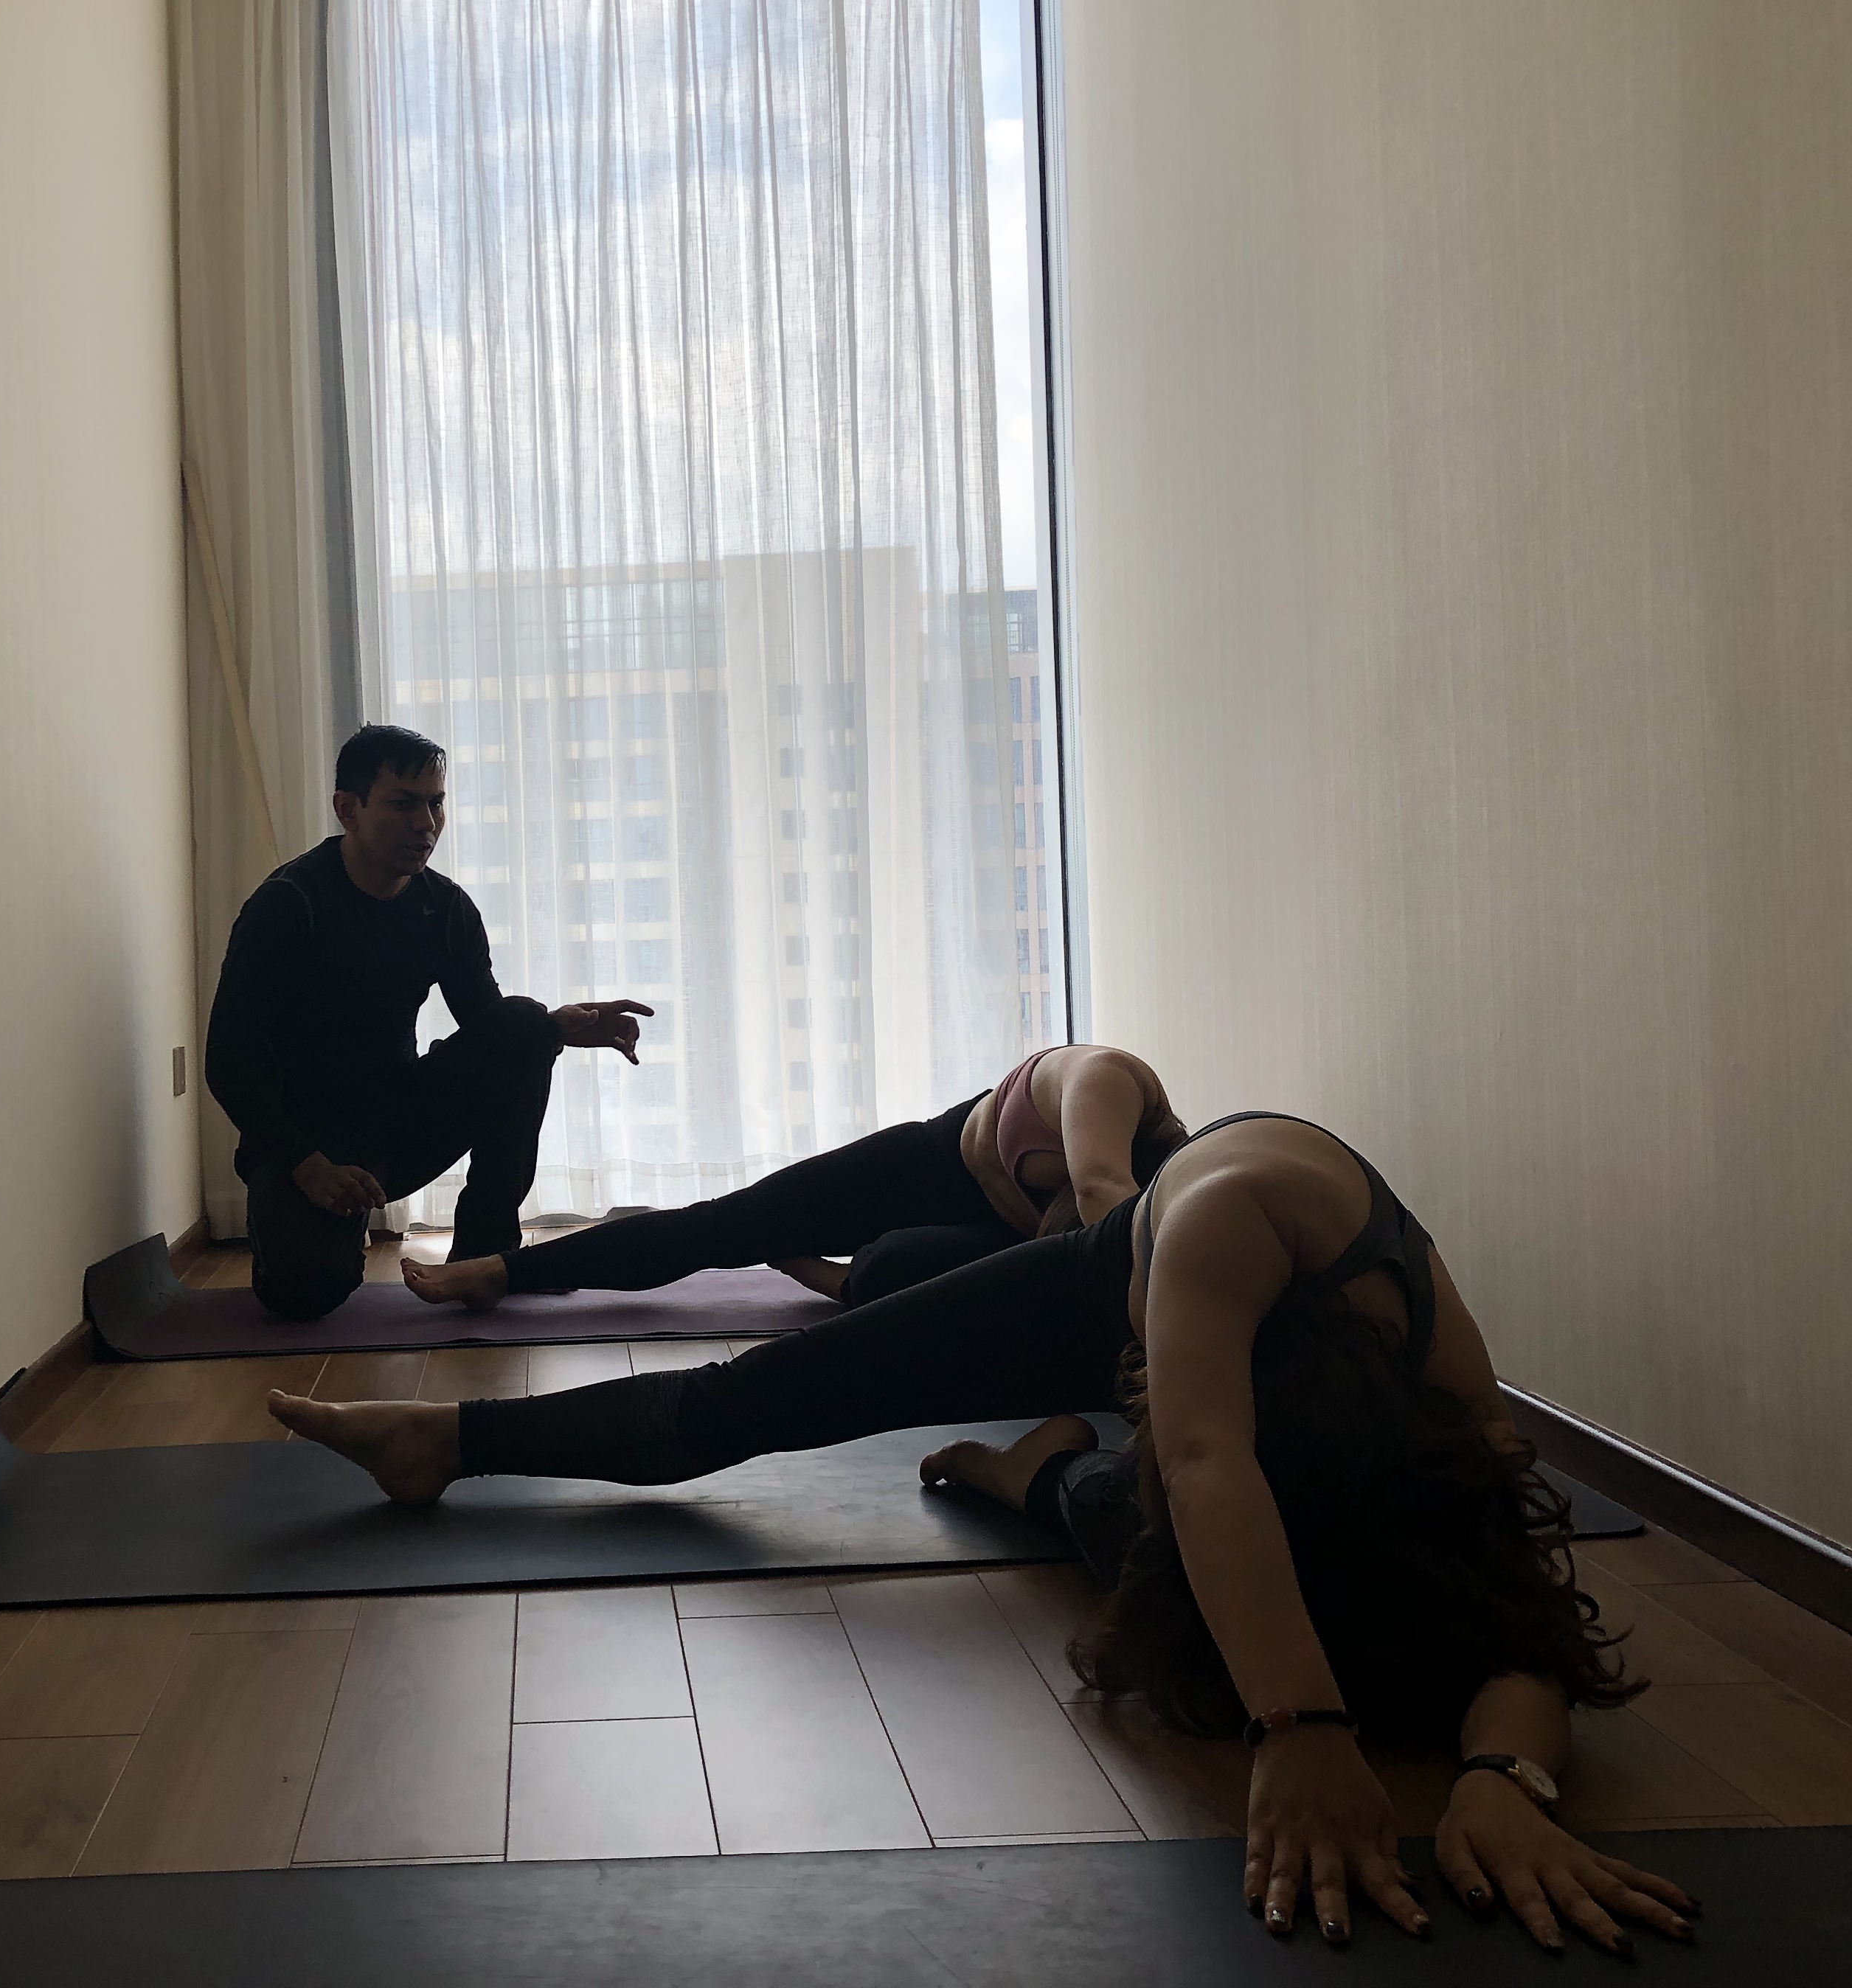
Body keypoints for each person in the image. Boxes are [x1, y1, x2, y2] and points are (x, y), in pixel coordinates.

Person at [270, 1110, 1703, 1958]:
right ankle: (444, 1441)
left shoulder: (1446, 1380)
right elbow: (1205, 1458)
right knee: (760, 1399)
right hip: (1093, 1277)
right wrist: (1304, 1727)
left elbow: (1517, 1601)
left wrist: (1506, 1775)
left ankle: (1042, 1479)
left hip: (1220, 1416)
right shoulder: (1233, 1226)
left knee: (1163, 1567)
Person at [204, 723, 653, 1320]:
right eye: (403, 804)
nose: (426, 824)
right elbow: (229, 1062)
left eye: (435, 804)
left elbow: (494, 1033)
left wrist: (557, 1030)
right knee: (304, 1294)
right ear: (348, 809)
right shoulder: (288, 905)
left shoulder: (445, 907)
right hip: (308, 1144)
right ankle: (304, 1233)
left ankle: (487, 1257)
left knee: (525, 1022)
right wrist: (306, 1166)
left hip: (400, 1121)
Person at [403, 1043, 1186, 1312]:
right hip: (932, 1163)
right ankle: (503, 1272)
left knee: (891, 1273)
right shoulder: (1110, 1082)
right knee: (721, 1226)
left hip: (990, 1232)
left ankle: (823, 1274)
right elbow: (1100, 1198)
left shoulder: (1149, 1187)